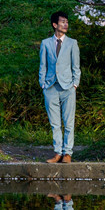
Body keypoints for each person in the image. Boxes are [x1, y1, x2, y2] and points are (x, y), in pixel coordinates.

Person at [39, 10, 81, 163]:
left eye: (67, 22)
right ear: (55, 24)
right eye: (63, 22)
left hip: (68, 88)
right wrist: (43, 84)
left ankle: (67, 153)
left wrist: (75, 84)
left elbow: (76, 66)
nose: (66, 24)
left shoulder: (72, 43)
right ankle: (58, 153)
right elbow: (42, 66)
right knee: (54, 123)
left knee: (69, 122)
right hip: (50, 87)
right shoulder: (46, 43)